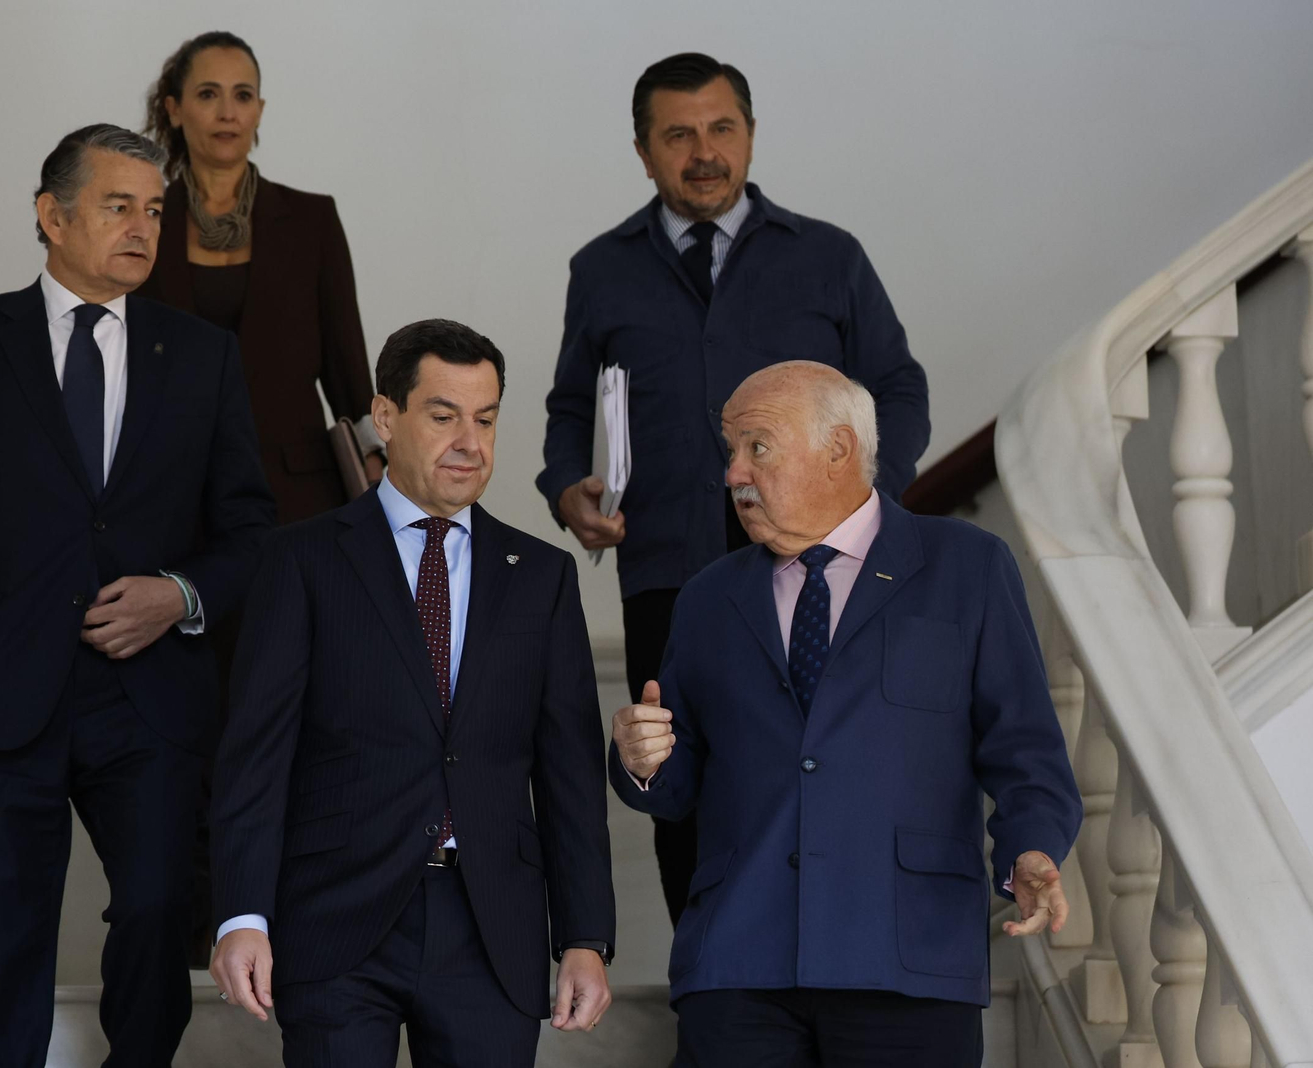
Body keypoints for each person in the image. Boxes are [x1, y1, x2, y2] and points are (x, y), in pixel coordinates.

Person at [0, 124, 276, 1068]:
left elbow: (252, 533)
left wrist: (180, 593)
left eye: (155, 210)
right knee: (2, 951)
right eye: (118, 205)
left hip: (151, 699)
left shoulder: (201, 355)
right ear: (51, 216)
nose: (142, 227)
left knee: (165, 908)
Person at [537, 52, 932, 931]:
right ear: (643, 151)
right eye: (678, 135)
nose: (703, 151)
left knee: (826, 768)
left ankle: (831, 976)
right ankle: (711, 990)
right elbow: (569, 410)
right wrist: (569, 489)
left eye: (722, 129)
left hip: (821, 574)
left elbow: (898, 388)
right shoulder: (601, 269)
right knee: (679, 787)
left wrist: (867, 497)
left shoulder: (829, 258)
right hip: (668, 579)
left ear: (750, 136)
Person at [609, 362, 1081, 1067]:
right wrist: (641, 759)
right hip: (741, 965)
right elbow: (678, 784)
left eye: (757, 447)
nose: (733, 472)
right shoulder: (709, 597)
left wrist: (1031, 849)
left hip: (908, 959)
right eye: (729, 450)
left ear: (838, 450)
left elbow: (1026, 753)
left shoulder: (967, 567)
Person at [209, 319, 616, 1067]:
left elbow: (570, 777)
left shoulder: (543, 578)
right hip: (336, 916)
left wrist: (585, 936)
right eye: (443, 415)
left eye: (486, 419)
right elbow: (255, 759)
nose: (470, 441)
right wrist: (242, 913)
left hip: (492, 926)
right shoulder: (300, 561)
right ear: (387, 417)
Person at [137, 30, 383, 521]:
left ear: (259, 110)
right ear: (174, 109)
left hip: (299, 496)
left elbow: (347, 368)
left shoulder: (313, 220)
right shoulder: (142, 223)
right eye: (208, 94)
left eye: (242, 95)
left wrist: (379, 472)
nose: (228, 112)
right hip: (172, 494)